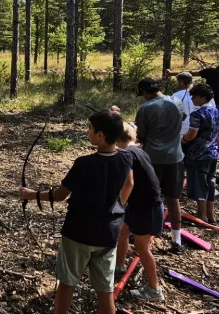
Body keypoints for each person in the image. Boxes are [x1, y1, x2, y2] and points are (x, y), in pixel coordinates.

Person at [19, 111, 134, 314]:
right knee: (105, 290)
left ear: (100, 135)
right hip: (109, 231)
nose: (87, 132)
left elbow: (59, 195)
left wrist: (32, 194)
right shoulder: (125, 157)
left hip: (79, 231)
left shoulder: (84, 163)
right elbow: (130, 183)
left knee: (67, 282)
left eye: (90, 129)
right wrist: (117, 205)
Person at [166, 54, 219, 176]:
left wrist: (171, 73)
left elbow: (191, 73)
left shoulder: (211, 72)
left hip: (210, 105)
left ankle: (210, 167)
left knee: (213, 137)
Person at [133, 78, 186, 254]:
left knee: (146, 197)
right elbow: (181, 121)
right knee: (173, 198)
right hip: (175, 157)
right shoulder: (177, 102)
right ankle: (177, 240)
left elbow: (141, 135)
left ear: (147, 92)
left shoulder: (146, 108)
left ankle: (142, 233)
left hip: (152, 158)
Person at [114, 123, 166, 301]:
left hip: (148, 207)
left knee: (141, 247)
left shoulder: (125, 153)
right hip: (138, 205)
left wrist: (119, 205)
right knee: (123, 232)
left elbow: (129, 183)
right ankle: (119, 266)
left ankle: (154, 290)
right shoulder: (139, 150)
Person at [183, 84, 219, 224]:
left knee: (199, 184)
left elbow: (192, 134)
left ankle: (201, 215)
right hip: (213, 153)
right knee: (210, 183)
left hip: (198, 154)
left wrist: (183, 139)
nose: (192, 99)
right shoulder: (217, 112)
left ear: (203, 97)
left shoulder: (197, 114)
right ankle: (211, 215)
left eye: (194, 96)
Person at [170, 72, 215, 138]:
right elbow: (213, 111)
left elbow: (172, 114)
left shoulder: (176, 95)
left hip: (184, 131)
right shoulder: (205, 93)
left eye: (177, 81)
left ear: (181, 82)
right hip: (204, 131)